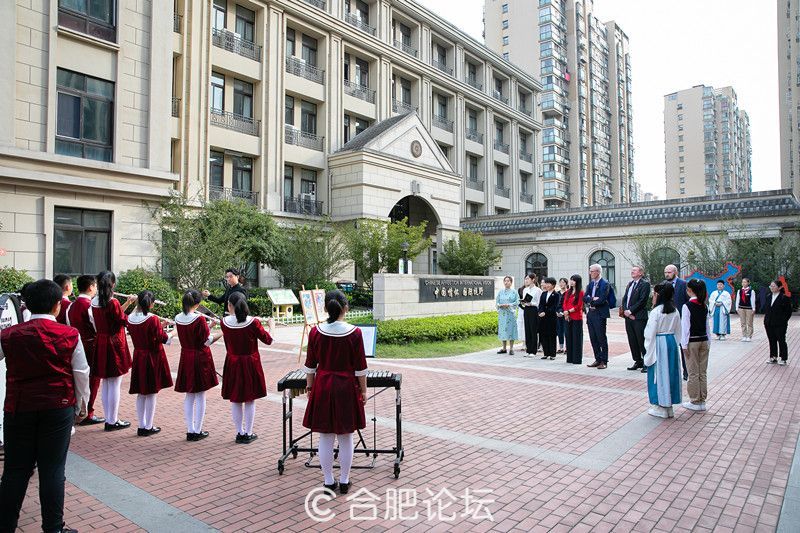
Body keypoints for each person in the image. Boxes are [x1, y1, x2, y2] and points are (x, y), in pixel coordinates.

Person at [0, 279, 90, 533]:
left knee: (15, 470)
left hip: (19, 407)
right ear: (57, 306)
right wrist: (82, 405)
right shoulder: (69, 334)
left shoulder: (9, 334)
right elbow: (81, 372)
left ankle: (5, 525)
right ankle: (53, 528)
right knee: (52, 469)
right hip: (57, 405)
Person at [303, 290, 368, 495]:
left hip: (323, 385)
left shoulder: (315, 332)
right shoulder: (355, 332)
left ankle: (328, 481)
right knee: (346, 436)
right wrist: (364, 391)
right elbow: (360, 368)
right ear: (345, 308)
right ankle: (345, 480)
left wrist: (310, 387)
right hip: (346, 387)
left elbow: (310, 366)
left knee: (325, 436)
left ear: (325, 308)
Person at [220, 292, 275, 443]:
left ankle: (240, 433)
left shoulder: (224, 322)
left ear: (230, 305)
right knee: (250, 399)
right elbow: (269, 340)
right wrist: (272, 326)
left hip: (232, 362)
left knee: (236, 399)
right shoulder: (253, 322)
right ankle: (249, 433)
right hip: (250, 363)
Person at [90, 271, 138, 431]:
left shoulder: (95, 301)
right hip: (114, 343)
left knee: (106, 382)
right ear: (113, 285)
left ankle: (110, 419)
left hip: (101, 341)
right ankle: (113, 420)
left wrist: (128, 303)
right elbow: (122, 320)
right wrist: (137, 310)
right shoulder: (112, 302)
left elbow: (113, 315)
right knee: (115, 383)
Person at [174, 290, 222, 441]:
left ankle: (190, 430)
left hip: (186, 356)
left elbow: (196, 334)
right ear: (197, 303)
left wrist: (210, 325)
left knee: (189, 394)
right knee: (200, 394)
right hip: (200, 358)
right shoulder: (199, 319)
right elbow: (206, 341)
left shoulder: (178, 318)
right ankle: (198, 430)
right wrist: (221, 332)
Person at [127, 291, 174, 437]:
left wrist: (161, 325)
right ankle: (148, 425)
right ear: (152, 304)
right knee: (152, 392)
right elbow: (163, 338)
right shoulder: (152, 319)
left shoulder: (131, 318)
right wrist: (174, 331)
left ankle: (142, 425)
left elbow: (146, 330)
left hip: (139, 355)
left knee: (141, 392)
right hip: (152, 357)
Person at [67, 274, 105, 425]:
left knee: (77, 378)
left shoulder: (71, 305)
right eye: (95, 286)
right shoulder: (89, 306)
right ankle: (88, 412)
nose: (96, 289)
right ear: (90, 287)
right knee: (93, 379)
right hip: (90, 345)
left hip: (76, 343)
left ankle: (78, 409)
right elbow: (97, 326)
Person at [643, 282, 683, 418]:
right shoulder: (675, 310)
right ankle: (669, 406)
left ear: (658, 295)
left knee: (658, 374)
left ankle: (660, 406)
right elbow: (679, 331)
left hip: (659, 343)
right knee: (670, 373)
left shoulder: (656, 312)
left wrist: (649, 350)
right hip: (671, 342)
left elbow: (650, 334)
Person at [681, 279, 711, 411]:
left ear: (690, 290)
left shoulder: (687, 306)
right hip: (704, 340)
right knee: (702, 372)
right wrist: (709, 341)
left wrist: (684, 345)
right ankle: (702, 400)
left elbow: (685, 327)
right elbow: (707, 326)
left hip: (692, 341)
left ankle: (694, 400)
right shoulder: (704, 305)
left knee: (692, 372)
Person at [622, 266, 651, 373]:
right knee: (632, 340)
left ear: (641, 273)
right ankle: (637, 360)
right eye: (632, 270)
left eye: (635, 270)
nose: (632, 272)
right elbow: (625, 299)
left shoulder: (644, 284)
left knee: (641, 340)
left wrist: (631, 311)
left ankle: (647, 363)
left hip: (639, 317)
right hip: (629, 317)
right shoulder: (630, 284)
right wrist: (626, 311)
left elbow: (642, 300)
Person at [664, 264, 689, 381]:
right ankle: (671, 371)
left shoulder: (683, 284)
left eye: (669, 272)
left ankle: (686, 370)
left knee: (682, 346)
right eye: (665, 272)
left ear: (675, 272)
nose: (667, 274)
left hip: (681, 319)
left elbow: (688, 301)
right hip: (667, 320)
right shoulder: (663, 284)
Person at [584, 264, 611, 369]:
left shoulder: (605, 284)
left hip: (600, 314)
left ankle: (604, 361)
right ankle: (597, 358)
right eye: (590, 271)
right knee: (593, 337)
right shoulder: (590, 284)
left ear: (598, 272)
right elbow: (584, 298)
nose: (590, 273)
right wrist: (592, 299)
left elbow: (602, 299)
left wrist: (592, 300)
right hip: (591, 313)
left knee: (601, 337)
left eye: (592, 271)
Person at [764, 279, 793, 365]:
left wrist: (783, 320)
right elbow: (767, 309)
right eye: (770, 286)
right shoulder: (768, 296)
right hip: (769, 323)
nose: (771, 288)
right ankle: (773, 357)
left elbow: (788, 312)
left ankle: (783, 358)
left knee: (781, 340)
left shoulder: (784, 297)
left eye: (773, 286)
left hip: (780, 324)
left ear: (779, 287)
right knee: (771, 340)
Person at [562, 274, 584, 364]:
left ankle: (577, 359)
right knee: (568, 337)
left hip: (576, 317)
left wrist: (569, 311)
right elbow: (564, 303)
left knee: (576, 338)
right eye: (571, 280)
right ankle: (570, 358)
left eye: (573, 280)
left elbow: (579, 305)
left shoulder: (581, 292)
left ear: (577, 282)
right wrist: (565, 312)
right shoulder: (568, 292)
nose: (571, 282)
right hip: (568, 317)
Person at [518, 274, 542, 357]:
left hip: (534, 310)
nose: (526, 280)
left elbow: (539, 303)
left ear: (533, 279)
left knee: (533, 330)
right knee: (527, 329)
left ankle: (533, 351)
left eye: (528, 279)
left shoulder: (538, 290)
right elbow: (525, 300)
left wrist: (531, 303)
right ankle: (528, 350)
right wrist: (523, 302)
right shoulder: (525, 290)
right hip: (526, 310)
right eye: (525, 279)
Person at [495, 276, 519, 355]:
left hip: (510, 314)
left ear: (511, 282)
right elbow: (497, 302)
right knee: (503, 329)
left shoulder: (514, 292)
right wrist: (500, 305)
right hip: (502, 314)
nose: (506, 282)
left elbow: (517, 302)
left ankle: (511, 348)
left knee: (511, 329)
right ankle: (504, 348)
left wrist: (509, 305)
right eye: (505, 281)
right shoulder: (501, 292)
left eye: (508, 281)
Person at [538, 277, 559, 360]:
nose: (546, 285)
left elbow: (555, 306)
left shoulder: (556, 294)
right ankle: (546, 353)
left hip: (551, 318)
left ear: (553, 285)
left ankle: (552, 354)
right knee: (543, 335)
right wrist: (540, 312)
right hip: (543, 318)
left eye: (548, 283)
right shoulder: (543, 294)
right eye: (546, 283)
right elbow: (540, 305)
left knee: (552, 335)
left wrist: (545, 312)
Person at [734, 277, 758, 342]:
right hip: (741, 308)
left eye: (745, 282)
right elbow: (737, 300)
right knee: (743, 323)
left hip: (749, 309)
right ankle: (744, 336)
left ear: (748, 283)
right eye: (742, 282)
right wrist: (737, 308)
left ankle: (749, 336)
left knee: (749, 322)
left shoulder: (751, 291)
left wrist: (753, 308)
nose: (743, 283)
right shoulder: (740, 291)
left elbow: (752, 300)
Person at [556, 278, 568, 354]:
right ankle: (561, 347)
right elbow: (556, 304)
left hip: (566, 314)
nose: (561, 284)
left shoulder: (568, 293)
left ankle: (567, 347)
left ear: (566, 283)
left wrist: (563, 312)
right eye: (560, 282)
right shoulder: (557, 293)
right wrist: (557, 312)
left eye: (563, 282)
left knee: (566, 331)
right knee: (559, 331)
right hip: (558, 314)